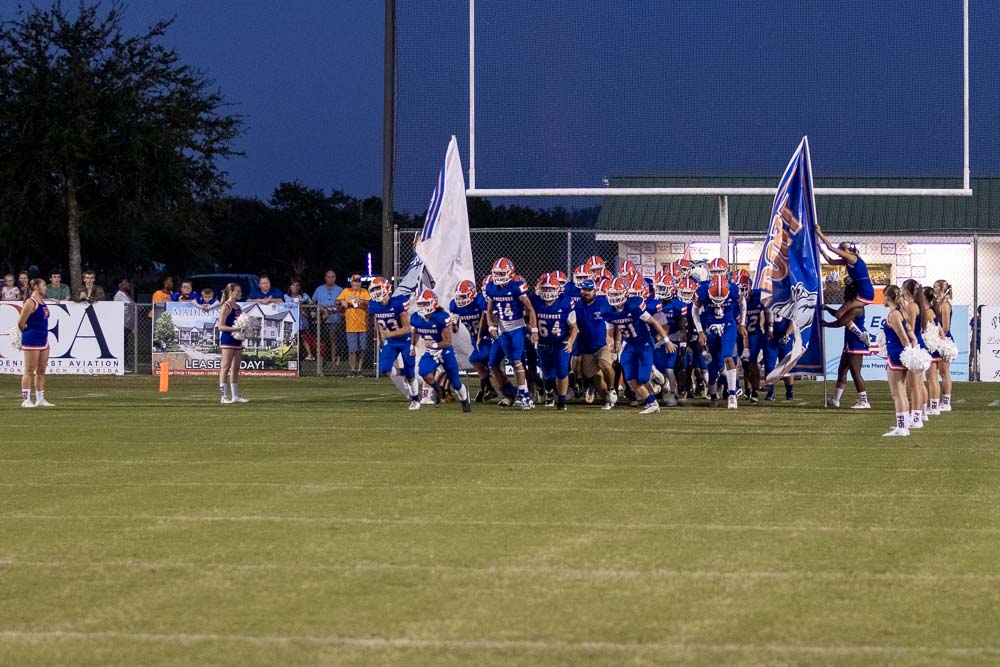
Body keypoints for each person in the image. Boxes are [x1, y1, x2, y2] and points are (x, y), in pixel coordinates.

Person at [604, 276, 671, 414]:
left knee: (643, 378)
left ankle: (655, 375)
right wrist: (612, 345)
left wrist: (666, 340)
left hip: (644, 343)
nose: (614, 297)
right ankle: (652, 403)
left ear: (625, 293)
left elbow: (654, 322)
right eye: (612, 294)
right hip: (629, 344)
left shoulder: (634, 306)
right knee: (630, 378)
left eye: (617, 294)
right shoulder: (608, 311)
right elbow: (610, 333)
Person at [484, 258, 538, 409]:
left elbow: (530, 308)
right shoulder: (491, 288)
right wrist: (491, 326)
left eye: (502, 273)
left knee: (516, 360)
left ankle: (525, 396)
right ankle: (520, 394)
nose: (499, 276)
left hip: (517, 327)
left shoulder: (516, 285)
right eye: (497, 273)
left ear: (510, 272)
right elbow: (489, 311)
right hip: (503, 330)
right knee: (512, 363)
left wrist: (534, 329)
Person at [410, 289, 471, 412]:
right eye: (420, 304)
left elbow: (447, 342)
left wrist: (434, 345)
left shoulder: (441, 317)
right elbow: (415, 331)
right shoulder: (416, 318)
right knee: (423, 371)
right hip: (431, 352)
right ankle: (438, 388)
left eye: (425, 304)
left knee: (456, 383)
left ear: (434, 303)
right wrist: (412, 346)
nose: (422, 307)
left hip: (445, 351)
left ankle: (465, 401)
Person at [368, 276, 421, 410]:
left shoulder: (398, 303)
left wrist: (389, 334)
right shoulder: (374, 305)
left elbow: (407, 328)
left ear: (387, 288)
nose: (376, 293)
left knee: (410, 375)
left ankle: (415, 400)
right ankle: (402, 372)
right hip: (391, 342)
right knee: (384, 369)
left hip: (405, 340)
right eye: (373, 290)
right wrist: (379, 338)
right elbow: (377, 320)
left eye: (378, 289)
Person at [693, 273, 743, 409]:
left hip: (728, 325)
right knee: (713, 364)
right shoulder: (703, 290)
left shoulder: (733, 289)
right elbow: (694, 310)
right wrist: (700, 331)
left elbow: (743, 303)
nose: (719, 303)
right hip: (711, 327)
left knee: (728, 357)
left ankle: (732, 395)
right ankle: (714, 395)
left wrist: (742, 323)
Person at [528, 272, 577, 410]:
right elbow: (528, 318)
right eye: (545, 289)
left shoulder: (565, 301)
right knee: (547, 374)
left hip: (560, 342)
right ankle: (549, 391)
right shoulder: (535, 301)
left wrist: (570, 341)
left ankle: (562, 401)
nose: (548, 292)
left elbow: (574, 327)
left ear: (557, 289)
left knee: (561, 372)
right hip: (543, 342)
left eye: (551, 289)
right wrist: (533, 330)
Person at [824, 279, 871, 409]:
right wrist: (827, 308)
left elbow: (841, 322)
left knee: (855, 372)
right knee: (842, 371)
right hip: (850, 342)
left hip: (856, 343)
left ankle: (864, 401)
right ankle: (835, 400)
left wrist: (826, 324)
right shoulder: (852, 307)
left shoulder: (856, 308)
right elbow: (839, 315)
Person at [449, 278, 495, 402]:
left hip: (487, 336)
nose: (460, 300)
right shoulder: (455, 306)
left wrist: (481, 335)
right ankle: (487, 388)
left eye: (463, 296)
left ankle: (489, 388)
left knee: (479, 361)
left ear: (472, 294)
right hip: (475, 339)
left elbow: (485, 317)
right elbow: (455, 330)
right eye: (459, 297)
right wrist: (453, 323)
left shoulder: (479, 301)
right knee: (481, 363)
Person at [882, 285, 919, 437]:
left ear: (888, 297)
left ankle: (902, 428)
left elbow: (904, 339)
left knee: (897, 394)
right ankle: (903, 425)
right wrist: (913, 354)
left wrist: (908, 353)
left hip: (897, 356)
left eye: (883, 296)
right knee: (901, 393)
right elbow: (913, 338)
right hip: (902, 355)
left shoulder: (894, 315)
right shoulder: (902, 312)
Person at [17, 278, 54, 407]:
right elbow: (21, 322)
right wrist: (27, 334)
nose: (46, 287)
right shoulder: (30, 302)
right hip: (32, 339)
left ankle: (40, 399)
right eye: (43, 285)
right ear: (36, 287)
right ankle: (26, 400)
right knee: (29, 370)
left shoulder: (42, 301)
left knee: (41, 370)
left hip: (43, 338)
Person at [901, 279, 929, 429]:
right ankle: (921, 414)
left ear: (907, 291)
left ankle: (916, 418)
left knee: (914, 385)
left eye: (902, 288)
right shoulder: (917, 305)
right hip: (918, 344)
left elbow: (909, 328)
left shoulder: (912, 306)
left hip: (915, 346)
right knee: (918, 384)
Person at [217, 283, 249, 404]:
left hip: (238, 339)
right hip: (228, 340)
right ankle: (224, 397)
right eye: (238, 291)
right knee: (225, 368)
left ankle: (235, 396)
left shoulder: (238, 307)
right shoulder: (226, 306)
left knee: (235, 368)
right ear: (231, 292)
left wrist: (245, 329)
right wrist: (237, 329)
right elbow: (221, 326)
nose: (240, 293)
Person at [335, 274, 371, 377]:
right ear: (351, 282)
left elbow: (369, 302)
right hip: (350, 326)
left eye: (358, 281)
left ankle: (359, 369)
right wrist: (342, 301)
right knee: (352, 350)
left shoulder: (364, 292)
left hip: (363, 325)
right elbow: (337, 301)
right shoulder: (346, 291)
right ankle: (352, 369)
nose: (357, 283)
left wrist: (361, 301)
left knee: (362, 349)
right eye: (355, 281)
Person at [312, 270, 343, 365]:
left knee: (333, 340)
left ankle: (333, 360)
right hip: (321, 318)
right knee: (320, 340)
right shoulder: (319, 289)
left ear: (335, 278)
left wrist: (333, 310)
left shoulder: (339, 290)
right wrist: (317, 311)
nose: (330, 279)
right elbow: (313, 302)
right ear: (325, 278)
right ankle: (321, 360)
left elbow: (342, 305)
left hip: (334, 319)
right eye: (329, 277)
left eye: (332, 277)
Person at [932, 280, 954, 412]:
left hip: (944, 340)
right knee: (935, 372)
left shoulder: (945, 305)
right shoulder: (936, 303)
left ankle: (946, 402)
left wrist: (937, 339)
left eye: (935, 286)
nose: (933, 288)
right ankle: (936, 400)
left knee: (944, 372)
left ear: (941, 288)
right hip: (936, 339)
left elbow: (946, 327)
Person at [284, 279, 315, 360]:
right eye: (294, 285)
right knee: (291, 338)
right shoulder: (286, 296)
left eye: (297, 285)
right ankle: (291, 355)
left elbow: (311, 305)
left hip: (302, 322)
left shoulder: (304, 296)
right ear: (290, 287)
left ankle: (309, 354)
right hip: (291, 321)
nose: (296, 287)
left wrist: (309, 311)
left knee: (302, 337)